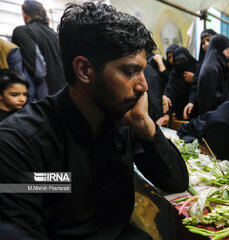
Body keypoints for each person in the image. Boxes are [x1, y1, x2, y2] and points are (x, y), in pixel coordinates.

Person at [0, 2, 189, 239]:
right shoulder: (19, 143)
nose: (144, 85)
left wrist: (146, 127)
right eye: (130, 71)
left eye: (142, 70)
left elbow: (176, 182)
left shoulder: (123, 122)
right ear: (84, 70)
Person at [12, 0, 65, 96]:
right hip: (64, 93)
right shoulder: (56, 34)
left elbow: (38, 71)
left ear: (24, 14)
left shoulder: (22, 32)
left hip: (44, 100)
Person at [183, 29, 217, 120]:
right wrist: (191, 102)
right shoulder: (200, 65)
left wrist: (195, 78)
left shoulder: (225, 61)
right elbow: (196, 88)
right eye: (203, 42)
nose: (205, 44)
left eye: (208, 40)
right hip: (205, 109)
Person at [197, 34, 229, 115]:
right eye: (226, 48)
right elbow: (212, 103)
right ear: (218, 49)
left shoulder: (215, 67)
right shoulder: (211, 70)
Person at [163, 47, 197, 120]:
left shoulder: (196, 69)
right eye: (177, 61)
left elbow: (197, 88)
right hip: (180, 114)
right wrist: (167, 114)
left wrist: (195, 78)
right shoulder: (175, 74)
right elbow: (171, 90)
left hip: (197, 110)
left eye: (183, 60)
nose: (180, 63)